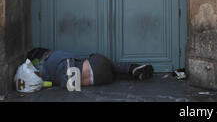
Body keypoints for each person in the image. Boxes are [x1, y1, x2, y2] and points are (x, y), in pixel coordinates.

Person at [26, 48, 154, 89]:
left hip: (97, 81)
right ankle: (132, 69)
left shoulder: (46, 76)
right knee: (105, 63)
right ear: (46, 54)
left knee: (113, 75)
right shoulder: (54, 56)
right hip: (97, 66)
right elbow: (70, 62)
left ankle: (131, 74)